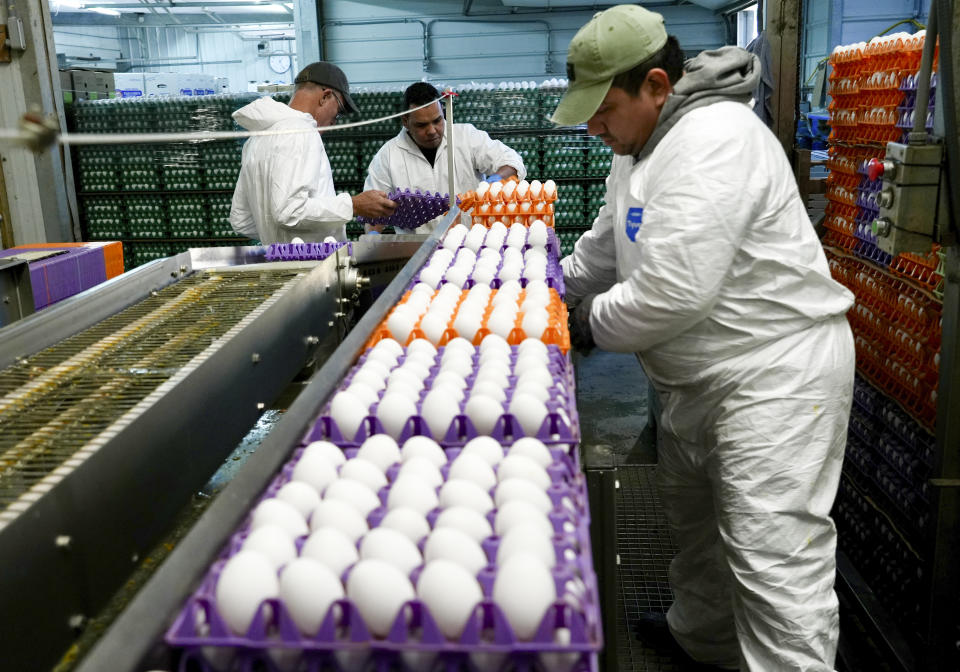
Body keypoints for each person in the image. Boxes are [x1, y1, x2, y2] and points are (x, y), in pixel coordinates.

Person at [553, 5, 855, 672]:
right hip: (694, 376)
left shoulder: (715, 139)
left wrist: (583, 324)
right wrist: (547, 283)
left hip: (771, 375)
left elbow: (673, 291)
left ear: (656, 85)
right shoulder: (639, 148)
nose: (593, 126)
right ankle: (705, 643)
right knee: (698, 533)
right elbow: (606, 248)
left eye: (603, 108)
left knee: (772, 557)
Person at [230, 62, 396, 243]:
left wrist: (278, 238)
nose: (335, 121)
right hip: (312, 264)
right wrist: (353, 205)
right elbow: (289, 211)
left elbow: (242, 220)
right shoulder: (300, 131)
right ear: (325, 97)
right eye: (338, 111)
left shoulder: (256, 140)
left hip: (279, 264)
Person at [363, 82, 526, 233]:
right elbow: (374, 210)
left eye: (437, 120)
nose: (432, 130)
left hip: (471, 243)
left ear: (442, 111)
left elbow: (511, 161)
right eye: (422, 125)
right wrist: (372, 235)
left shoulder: (466, 137)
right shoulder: (388, 156)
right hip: (416, 251)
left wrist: (496, 179)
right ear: (405, 121)